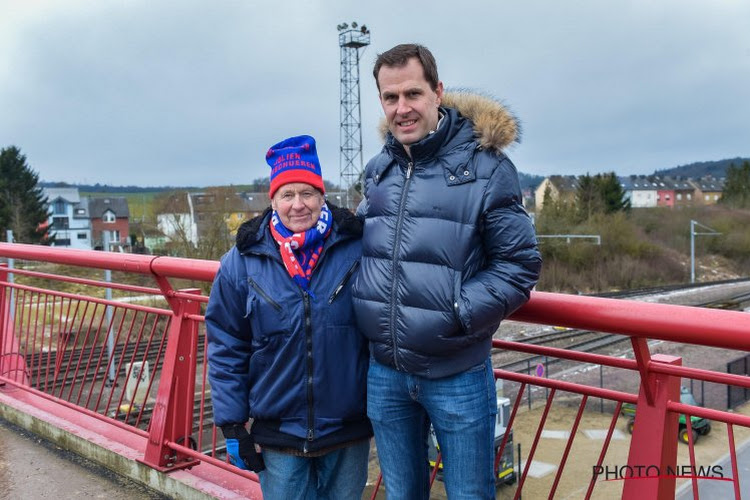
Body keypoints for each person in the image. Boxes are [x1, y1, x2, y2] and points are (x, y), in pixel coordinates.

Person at [351, 44, 542, 499]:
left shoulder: (486, 167)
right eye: (390, 98)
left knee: (470, 494)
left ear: (438, 92)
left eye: (413, 94)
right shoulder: (379, 170)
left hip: (457, 371)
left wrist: (456, 311)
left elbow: (519, 265)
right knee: (401, 493)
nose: (403, 108)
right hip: (385, 370)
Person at [206, 135, 372, 500]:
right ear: (273, 199)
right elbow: (226, 344)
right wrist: (233, 425)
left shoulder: (356, 248)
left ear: (322, 194)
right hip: (278, 432)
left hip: (347, 427)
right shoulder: (242, 262)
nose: (298, 205)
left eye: (308, 193)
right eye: (287, 194)